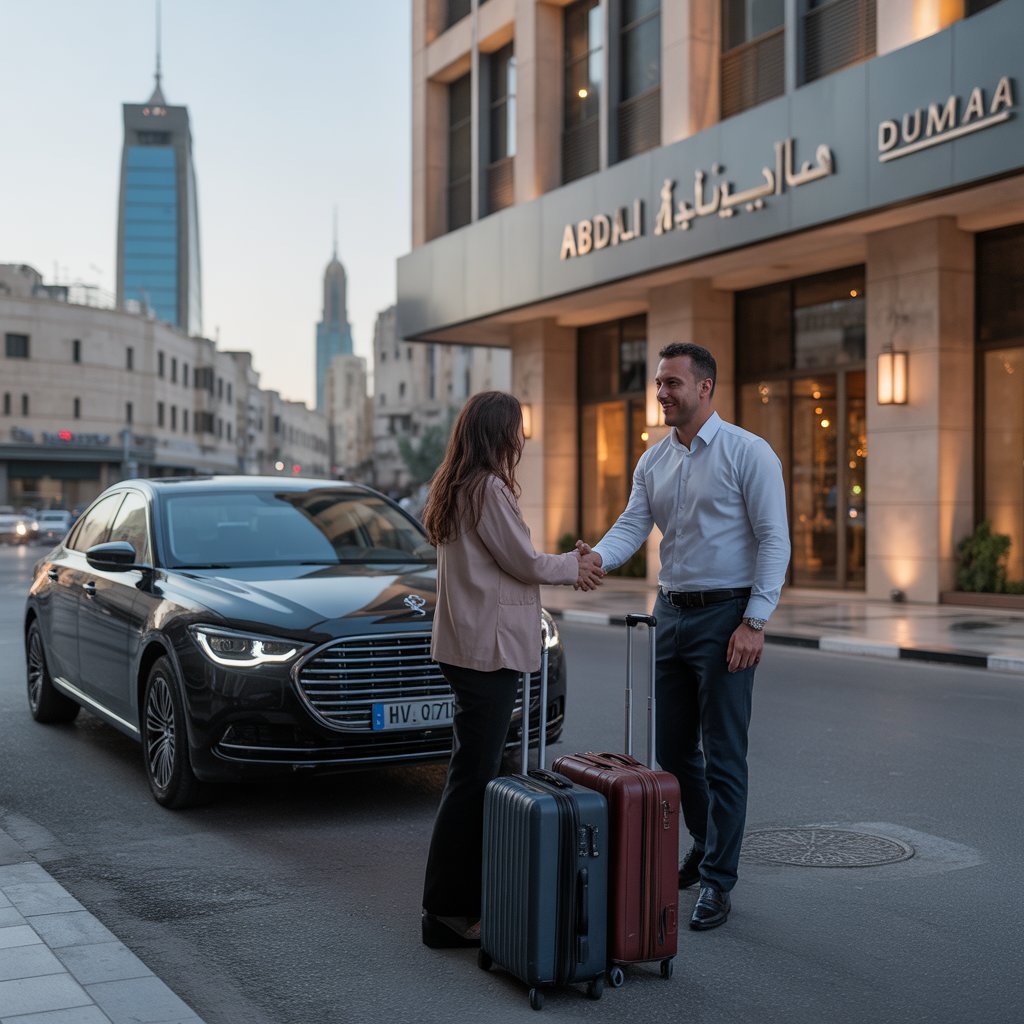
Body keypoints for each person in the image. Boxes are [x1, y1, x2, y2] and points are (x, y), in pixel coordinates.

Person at [579, 342, 789, 931]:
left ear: (705, 388)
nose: (663, 393)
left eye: (673, 383)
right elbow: (632, 525)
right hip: (669, 613)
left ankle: (719, 880)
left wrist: (755, 620)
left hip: (727, 617)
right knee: (673, 752)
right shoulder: (654, 461)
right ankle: (704, 842)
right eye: (658, 384)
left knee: (724, 756)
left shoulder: (749, 453)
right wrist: (596, 557)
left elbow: (775, 538)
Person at [419, 390, 604, 949]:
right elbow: (522, 562)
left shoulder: (456, 486)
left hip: (467, 648)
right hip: (487, 652)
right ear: (498, 433)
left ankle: (462, 904)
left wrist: (570, 564)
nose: (520, 439)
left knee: (474, 774)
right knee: (472, 780)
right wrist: (577, 565)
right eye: (516, 429)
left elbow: (508, 561)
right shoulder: (487, 488)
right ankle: (446, 912)